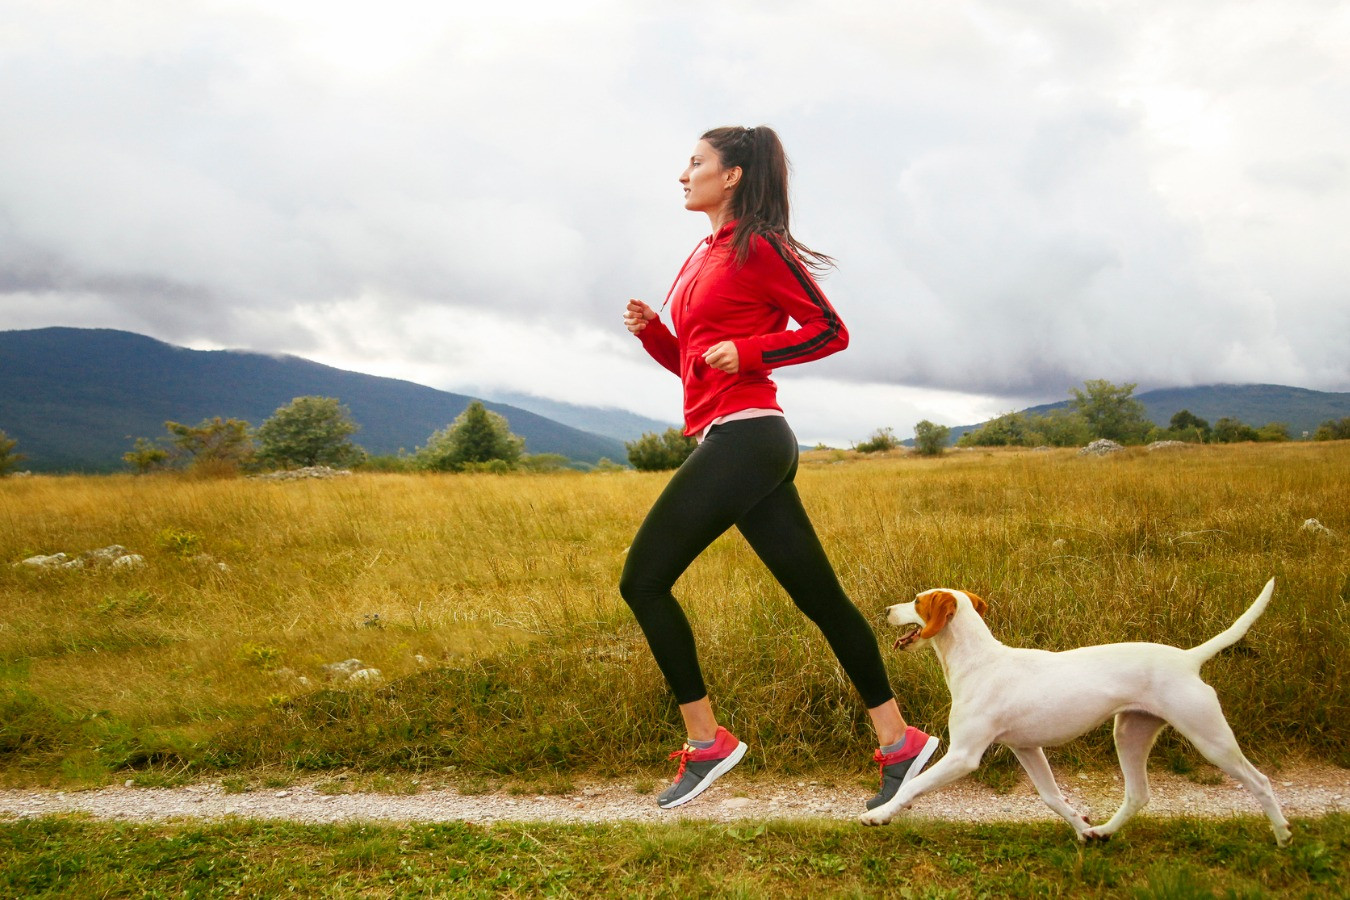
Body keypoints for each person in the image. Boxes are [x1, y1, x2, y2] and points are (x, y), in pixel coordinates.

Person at [620, 125, 938, 811]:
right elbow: (694, 366)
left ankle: (706, 743)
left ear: (731, 175)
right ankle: (899, 741)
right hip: (726, 435)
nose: (684, 173)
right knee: (821, 600)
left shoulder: (757, 246)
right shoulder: (702, 254)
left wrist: (754, 351)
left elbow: (828, 329)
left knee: (643, 581)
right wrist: (655, 331)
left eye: (696, 162)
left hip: (750, 436)